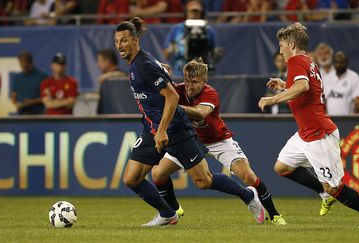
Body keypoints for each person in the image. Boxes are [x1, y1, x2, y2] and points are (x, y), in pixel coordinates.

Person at [115, 17, 264, 227]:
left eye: (124, 40)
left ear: (135, 42)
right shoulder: (139, 63)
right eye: (117, 41)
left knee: (204, 181)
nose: (119, 46)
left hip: (175, 129)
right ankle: (168, 214)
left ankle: (248, 195)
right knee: (131, 179)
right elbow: (159, 71)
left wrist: (163, 130)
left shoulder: (144, 65)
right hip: (152, 129)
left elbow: (173, 97)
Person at [258, 22, 359, 228]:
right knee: (282, 167)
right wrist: (284, 85)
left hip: (319, 133)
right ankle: (323, 192)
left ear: (291, 44)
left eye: (282, 45)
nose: (280, 50)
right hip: (305, 133)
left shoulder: (296, 62)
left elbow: (303, 86)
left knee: (335, 187)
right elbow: (310, 88)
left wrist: (272, 99)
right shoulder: (308, 61)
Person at [151, 58, 287, 225]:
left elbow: (200, 113)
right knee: (158, 174)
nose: (189, 85)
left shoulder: (210, 93)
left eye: (194, 82)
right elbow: (156, 90)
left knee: (248, 176)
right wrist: (161, 74)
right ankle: (174, 210)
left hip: (218, 139)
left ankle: (274, 215)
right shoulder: (178, 91)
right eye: (186, 80)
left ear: (204, 81)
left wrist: (174, 105)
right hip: (191, 141)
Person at [163, 0, 221, 77]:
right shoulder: (177, 29)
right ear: (186, 12)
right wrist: (172, 48)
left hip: (203, 73)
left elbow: (214, 54)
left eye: (197, 11)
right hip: (181, 72)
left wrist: (216, 55)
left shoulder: (208, 30)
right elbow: (166, 55)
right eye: (191, 11)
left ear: (202, 13)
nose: (194, 14)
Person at [324, 51, 359, 115]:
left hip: (348, 120)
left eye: (342, 62)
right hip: (330, 119)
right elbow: (324, 100)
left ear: (347, 63)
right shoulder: (327, 78)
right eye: (337, 62)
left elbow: (358, 103)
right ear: (333, 63)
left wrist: (354, 118)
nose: (339, 65)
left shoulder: (355, 78)